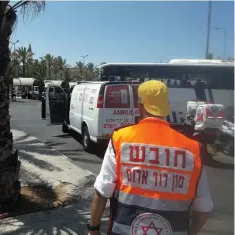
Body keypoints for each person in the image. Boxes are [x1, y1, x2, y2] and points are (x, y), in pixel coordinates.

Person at [87, 80, 213, 235]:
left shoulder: (121, 139)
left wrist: (93, 229)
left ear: (140, 106)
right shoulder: (192, 148)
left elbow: (102, 191)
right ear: (166, 106)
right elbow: (204, 208)